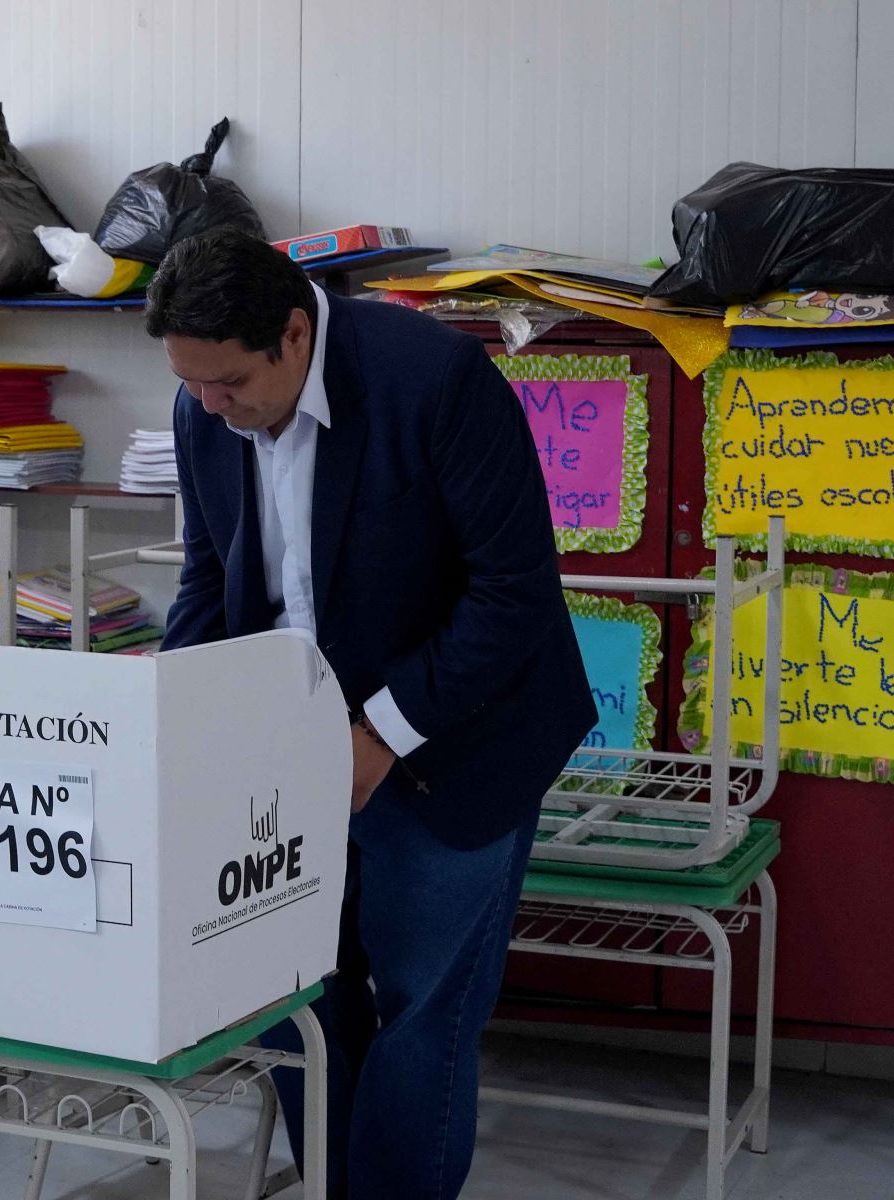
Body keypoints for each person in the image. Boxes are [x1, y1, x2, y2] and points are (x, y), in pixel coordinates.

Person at [146, 228, 596, 1199]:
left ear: (295, 336)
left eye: (228, 384)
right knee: (296, 999)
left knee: (422, 1011)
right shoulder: (203, 411)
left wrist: (380, 733)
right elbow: (214, 578)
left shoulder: (431, 379)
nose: (212, 409)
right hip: (299, 749)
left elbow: (512, 593)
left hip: (458, 741)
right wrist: (166, 717)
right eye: (193, 386)